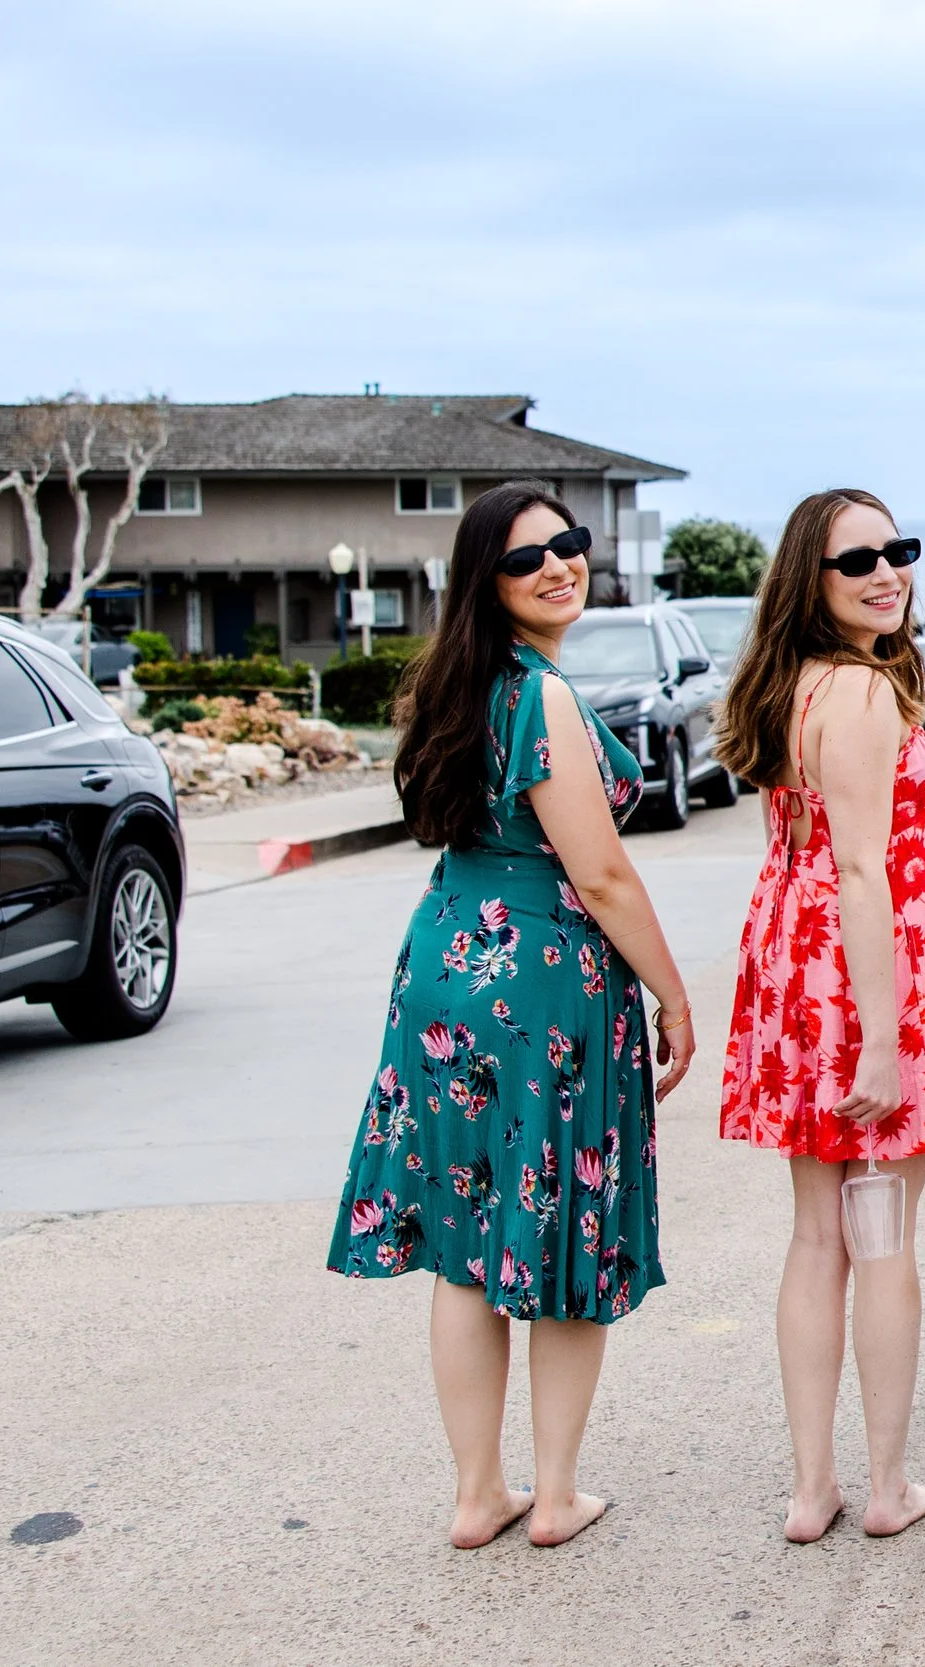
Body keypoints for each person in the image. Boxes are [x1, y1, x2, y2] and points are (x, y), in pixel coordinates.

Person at [329, 479, 694, 1549]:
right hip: (539, 985)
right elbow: (603, 875)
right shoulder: (540, 696)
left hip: (444, 968)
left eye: (571, 544)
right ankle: (558, 1491)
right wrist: (673, 992)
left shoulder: (458, 687)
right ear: (485, 581)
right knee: (565, 1231)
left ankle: (477, 1491)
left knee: (465, 1245)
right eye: (528, 556)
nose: (560, 564)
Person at [717, 488, 925, 1541]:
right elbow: (858, 864)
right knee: (879, 1235)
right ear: (813, 579)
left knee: (812, 1235)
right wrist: (881, 1038)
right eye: (859, 561)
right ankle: (883, 1485)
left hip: (801, 965)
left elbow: (788, 848)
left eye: (899, 551)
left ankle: (810, 1488)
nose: (888, 572)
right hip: (874, 975)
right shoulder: (864, 693)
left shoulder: (783, 688)